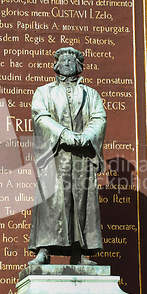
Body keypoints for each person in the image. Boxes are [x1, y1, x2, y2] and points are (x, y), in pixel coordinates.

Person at [28, 47, 107, 265]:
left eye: (71, 60)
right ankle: (44, 250)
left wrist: (87, 136)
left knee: (81, 202)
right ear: (56, 65)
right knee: (51, 202)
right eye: (62, 59)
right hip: (55, 154)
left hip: (82, 155)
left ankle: (79, 252)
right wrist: (63, 134)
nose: (66, 63)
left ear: (79, 66)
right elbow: (40, 116)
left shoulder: (91, 94)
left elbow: (99, 118)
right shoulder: (43, 92)